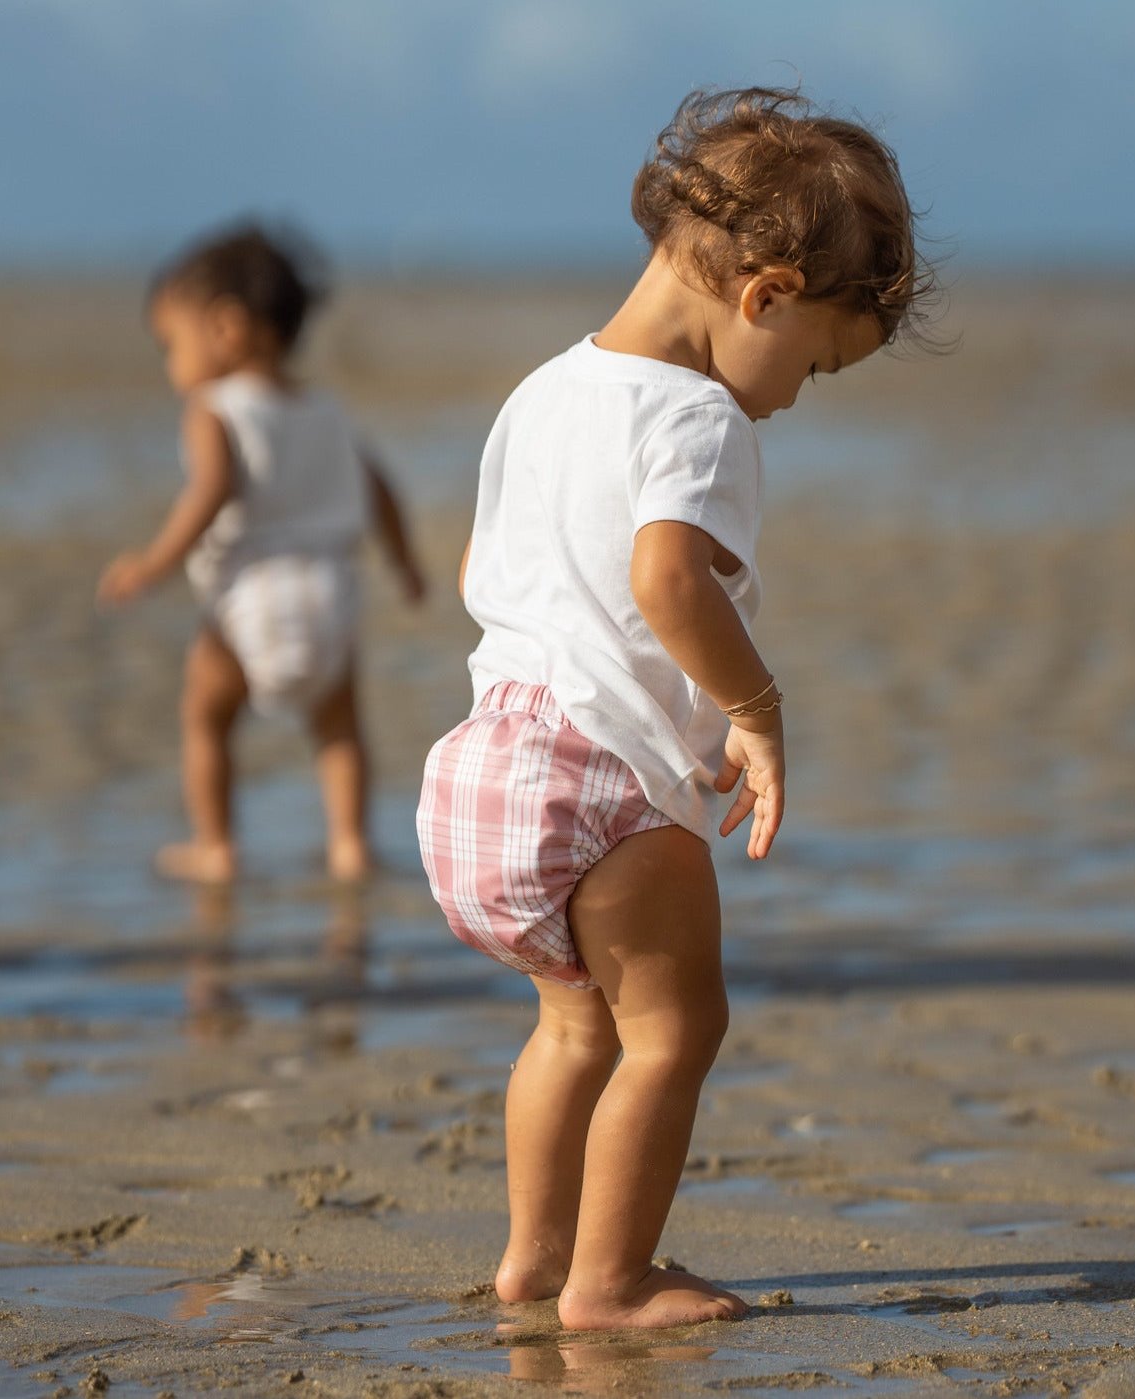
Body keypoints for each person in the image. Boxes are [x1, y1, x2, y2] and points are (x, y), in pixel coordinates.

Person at [417, 88, 935, 1329]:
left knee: (572, 1030)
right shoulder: (698, 417)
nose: (791, 398)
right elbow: (664, 577)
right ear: (764, 296)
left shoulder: (544, 389)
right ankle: (608, 1282)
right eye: (813, 363)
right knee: (674, 1028)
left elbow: (478, 569)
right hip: (601, 781)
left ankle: (533, 1257)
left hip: (478, 772)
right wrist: (752, 707)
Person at [100, 224, 425, 884]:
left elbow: (212, 489)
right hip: (330, 592)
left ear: (225, 328)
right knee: (339, 728)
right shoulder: (328, 412)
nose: (170, 365)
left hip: (251, 594)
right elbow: (378, 487)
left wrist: (153, 563)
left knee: (206, 715)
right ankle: (350, 845)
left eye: (172, 344)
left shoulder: (215, 408)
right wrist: (404, 564)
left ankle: (215, 846)